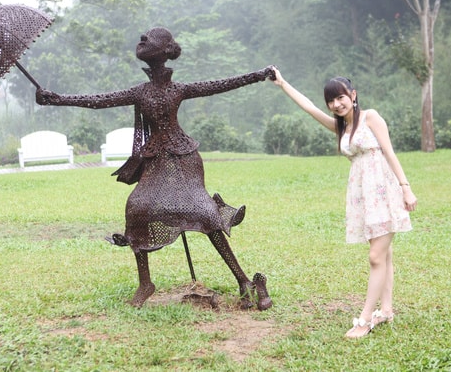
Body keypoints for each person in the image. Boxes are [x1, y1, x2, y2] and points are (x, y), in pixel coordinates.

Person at [36, 27, 274, 310]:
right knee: (136, 207)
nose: (142, 40)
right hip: (155, 160)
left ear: (164, 50)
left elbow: (220, 84)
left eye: (149, 38)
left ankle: (244, 280)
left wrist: (258, 75)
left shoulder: (179, 89)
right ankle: (145, 283)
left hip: (184, 159)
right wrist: (56, 98)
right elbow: (99, 101)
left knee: (205, 213)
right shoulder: (140, 92)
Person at [270, 67, 417, 338]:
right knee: (384, 254)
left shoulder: (371, 117)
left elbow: (389, 153)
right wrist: (283, 84)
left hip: (384, 191)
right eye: (331, 101)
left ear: (353, 95)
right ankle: (386, 310)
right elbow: (309, 108)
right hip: (363, 195)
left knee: (376, 256)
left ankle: (365, 320)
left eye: (340, 98)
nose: (336, 104)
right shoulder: (341, 128)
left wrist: (406, 189)